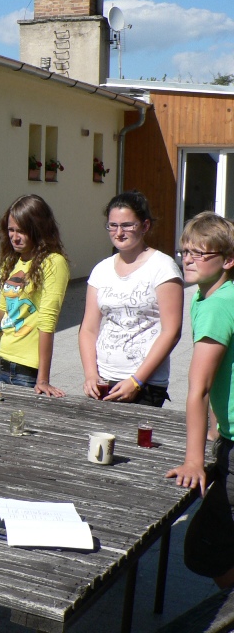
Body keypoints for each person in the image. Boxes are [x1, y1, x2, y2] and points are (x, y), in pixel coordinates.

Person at [166, 212, 234, 590]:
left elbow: (200, 388)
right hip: (228, 437)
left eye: (199, 253)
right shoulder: (210, 295)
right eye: (184, 252)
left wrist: (194, 460)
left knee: (205, 550)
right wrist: (213, 429)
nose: (188, 260)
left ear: (228, 260)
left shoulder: (216, 305)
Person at [79, 191, 183, 406]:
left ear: (145, 226)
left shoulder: (163, 268)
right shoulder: (101, 270)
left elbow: (171, 332)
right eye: (113, 225)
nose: (119, 233)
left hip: (145, 384)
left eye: (127, 225)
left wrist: (137, 381)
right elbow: (88, 328)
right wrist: (90, 374)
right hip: (104, 379)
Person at [0, 194, 69, 397]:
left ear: (39, 230)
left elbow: (47, 322)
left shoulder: (53, 263)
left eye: (22, 231)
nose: (15, 237)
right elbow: (4, 315)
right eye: (11, 230)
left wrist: (43, 379)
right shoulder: (11, 261)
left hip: (23, 370)